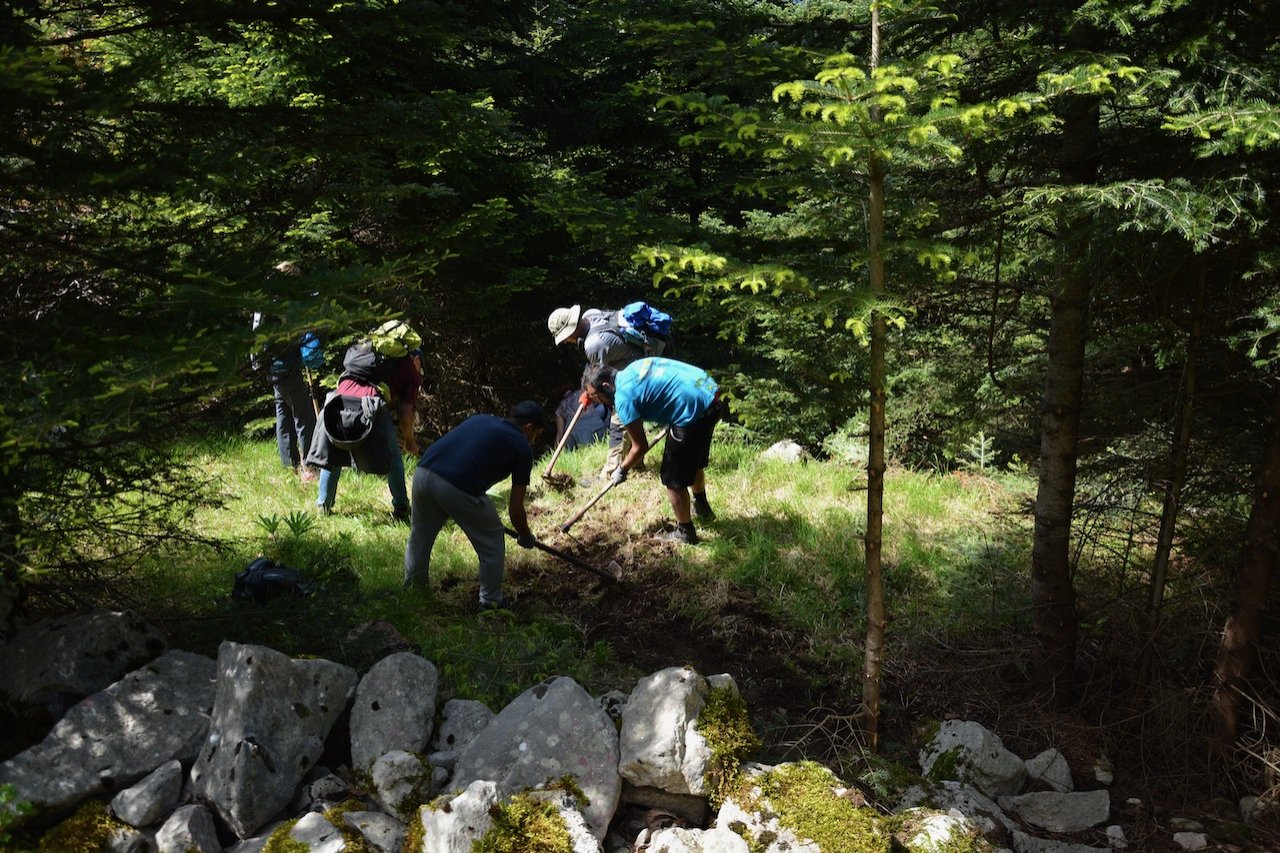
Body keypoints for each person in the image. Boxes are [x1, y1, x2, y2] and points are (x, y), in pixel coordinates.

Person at [403, 401, 551, 609]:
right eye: (536, 433)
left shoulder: (482, 418)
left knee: (419, 537)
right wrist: (525, 535)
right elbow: (516, 509)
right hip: (457, 485)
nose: (534, 440)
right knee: (492, 539)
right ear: (528, 428)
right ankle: (491, 604)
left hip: (423, 473)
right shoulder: (521, 445)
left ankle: (413, 596)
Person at [582, 358, 722, 544]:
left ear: (606, 386)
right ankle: (702, 507)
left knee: (673, 479)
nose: (598, 402)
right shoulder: (633, 368)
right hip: (710, 395)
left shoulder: (624, 398)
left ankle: (685, 532)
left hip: (693, 411)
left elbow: (639, 447)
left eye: (596, 397)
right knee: (693, 462)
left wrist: (622, 469)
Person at [306, 321, 423, 521]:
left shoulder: (367, 348)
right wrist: (410, 441)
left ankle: (322, 506)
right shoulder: (410, 369)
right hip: (370, 404)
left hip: (338, 400)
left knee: (333, 454)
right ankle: (402, 509)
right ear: (416, 357)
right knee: (393, 458)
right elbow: (406, 413)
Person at [547, 304, 668, 478]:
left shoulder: (593, 344)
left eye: (565, 337)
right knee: (629, 417)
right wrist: (586, 393)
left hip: (640, 369)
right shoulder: (590, 315)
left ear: (571, 331)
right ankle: (636, 463)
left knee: (619, 421)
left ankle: (610, 473)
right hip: (634, 363)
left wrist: (590, 394)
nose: (566, 341)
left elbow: (601, 379)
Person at [252, 312, 322, 484]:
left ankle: (289, 465)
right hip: (287, 368)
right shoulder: (283, 305)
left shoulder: (264, 308)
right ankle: (311, 467)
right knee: (304, 417)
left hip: (273, 368)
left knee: (283, 415)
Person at [554, 385, 608, 451]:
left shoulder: (560, 408)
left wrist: (556, 449)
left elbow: (560, 433)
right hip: (595, 423)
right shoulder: (583, 393)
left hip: (576, 431)